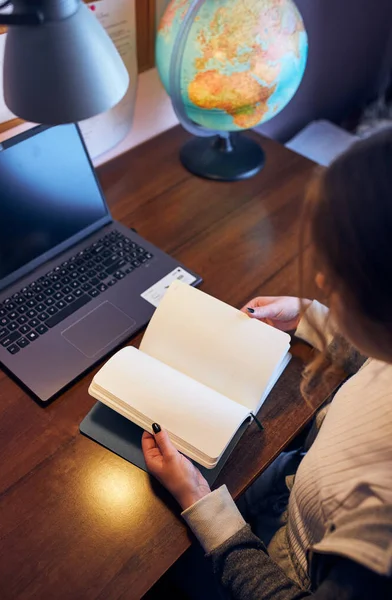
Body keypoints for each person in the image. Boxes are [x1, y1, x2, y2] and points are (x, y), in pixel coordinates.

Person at [142, 130, 392, 599]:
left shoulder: (378, 543)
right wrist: (314, 317)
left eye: (337, 277)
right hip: (298, 489)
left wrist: (200, 502)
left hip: (284, 567)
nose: (319, 278)